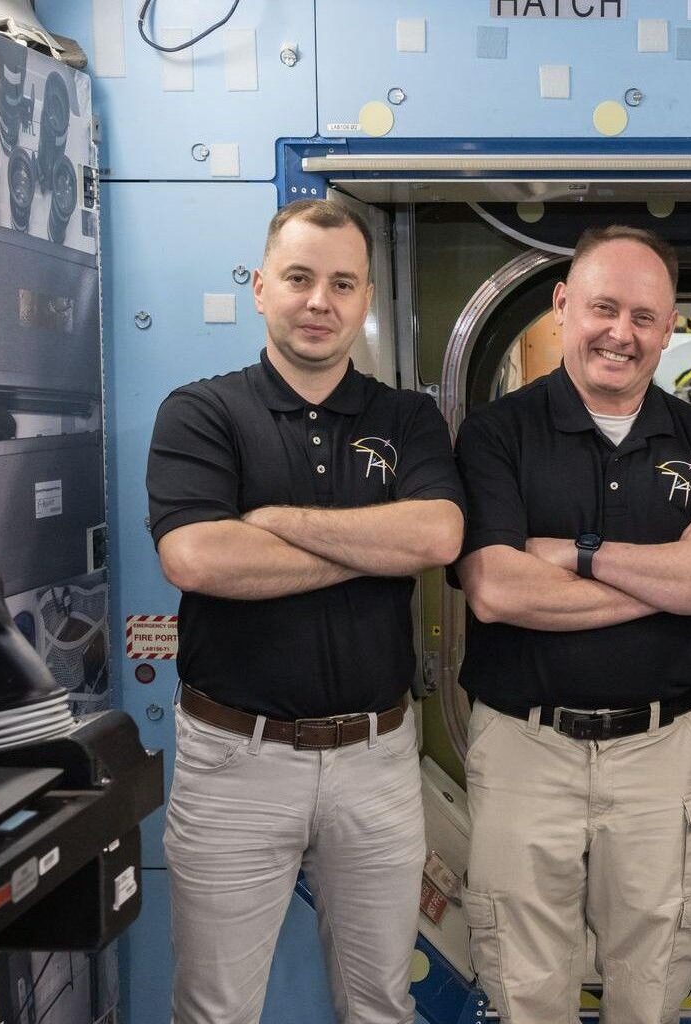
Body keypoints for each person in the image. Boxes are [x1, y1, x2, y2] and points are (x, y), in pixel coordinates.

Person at [146, 199, 465, 1024]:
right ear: (261, 288)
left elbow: (437, 535)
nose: (320, 302)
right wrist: (372, 545)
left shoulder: (407, 418)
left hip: (377, 761)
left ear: (365, 301)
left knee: (380, 1004)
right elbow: (196, 558)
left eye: (342, 284)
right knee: (215, 1011)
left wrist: (273, 523)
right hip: (234, 762)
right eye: (299, 278)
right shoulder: (201, 412)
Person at [452, 225, 691, 1024]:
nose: (621, 333)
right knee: (525, 985)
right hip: (524, 746)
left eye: (644, 317)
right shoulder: (496, 433)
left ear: (669, 328)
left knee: (653, 981)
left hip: (662, 750)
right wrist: (673, 578)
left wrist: (576, 554)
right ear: (562, 305)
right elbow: (495, 589)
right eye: (603, 308)